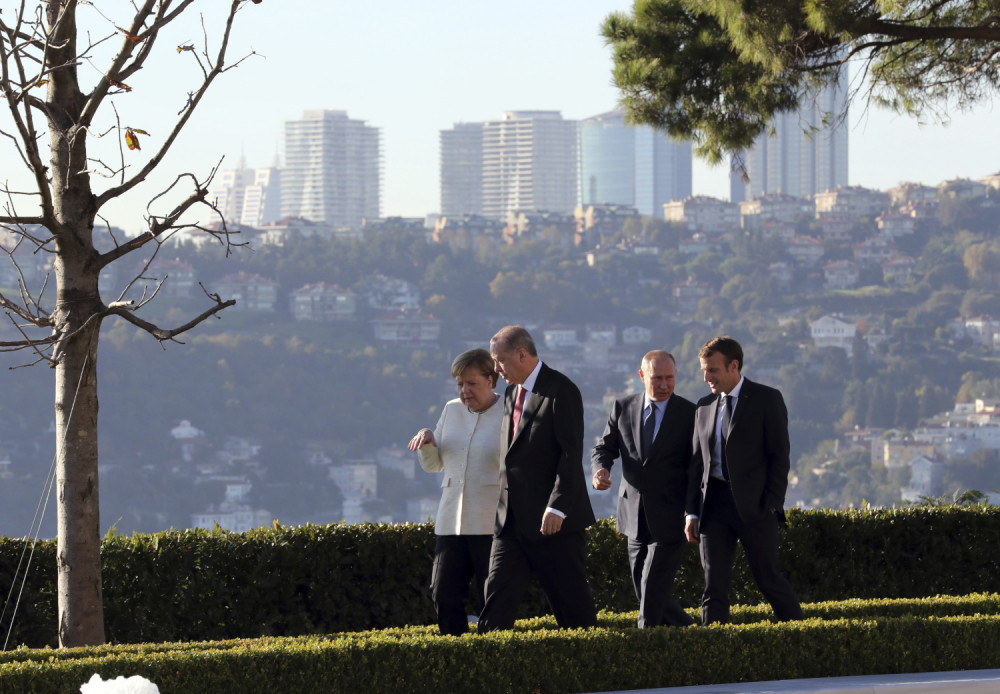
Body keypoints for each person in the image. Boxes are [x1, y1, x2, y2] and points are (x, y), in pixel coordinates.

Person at [477, 325, 597, 632]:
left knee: (573, 611)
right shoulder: (509, 393)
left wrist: (557, 506)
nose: (496, 369)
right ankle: (486, 673)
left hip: (553, 524)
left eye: (500, 361)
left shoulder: (561, 390)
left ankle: (593, 673)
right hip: (510, 522)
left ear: (520, 354)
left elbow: (570, 454)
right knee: (495, 606)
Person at [685, 336, 803, 625]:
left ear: (733, 366)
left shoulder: (766, 399)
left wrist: (772, 504)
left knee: (768, 579)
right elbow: (696, 465)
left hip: (756, 507)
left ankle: (802, 636)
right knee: (713, 586)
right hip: (713, 508)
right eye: (704, 370)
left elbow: (780, 456)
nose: (706, 377)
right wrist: (691, 512)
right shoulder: (703, 407)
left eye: (712, 370)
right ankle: (713, 650)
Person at [591, 350, 696, 628]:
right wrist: (600, 470)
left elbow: (698, 467)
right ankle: (696, 637)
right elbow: (603, 447)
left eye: (669, 378)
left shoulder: (690, 413)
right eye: (657, 378)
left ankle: (644, 649)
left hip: (671, 519)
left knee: (650, 596)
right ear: (641, 376)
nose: (664, 385)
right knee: (645, 591)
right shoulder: (623, 407)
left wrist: (692, 512)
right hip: (633, 516)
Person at [408, 348, 503, 636]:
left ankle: (495, 656)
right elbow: (435, 466)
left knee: (494, 598)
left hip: (491, 523)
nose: (464, 391)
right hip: (451, 521)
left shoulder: (511, 409)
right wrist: (427, 441)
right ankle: (456, 654)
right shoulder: (450, 410)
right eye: (460, 384)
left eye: (471, 383)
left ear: (491, 379)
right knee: (443, 593)